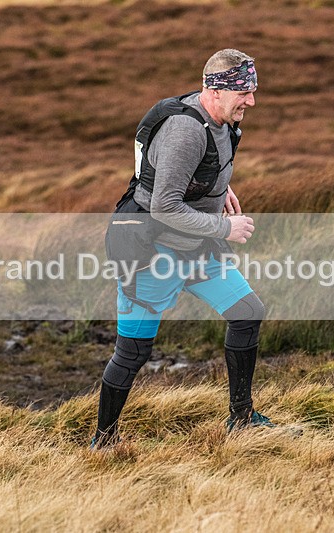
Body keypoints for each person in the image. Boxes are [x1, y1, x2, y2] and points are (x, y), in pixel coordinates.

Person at [92, 49, 271, 449]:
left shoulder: (223, 121)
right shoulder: (185, 130)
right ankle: (103, 442)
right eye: (243, 92)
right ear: (215, 90)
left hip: (197, 248)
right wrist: (225, 227)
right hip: (152, 254)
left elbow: (190, 169)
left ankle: (242, 419)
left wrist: (219, 189)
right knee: (133, 352)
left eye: (253, 91)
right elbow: (164, 206)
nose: (251, 101)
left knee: (247, 312)